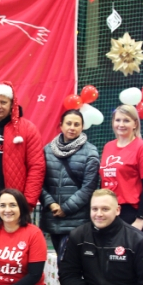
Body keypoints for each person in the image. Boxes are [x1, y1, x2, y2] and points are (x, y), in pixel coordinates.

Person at [41, 109, 100, 256]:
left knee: (70, 264)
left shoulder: (91, 152)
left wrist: (65, 209)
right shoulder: (46, 150)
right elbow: (38, 182)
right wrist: (51, 204)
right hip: (53, 219)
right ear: (61, 125)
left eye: (76, 124)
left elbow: (89, 188)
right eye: (68, 123)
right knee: (62, 266)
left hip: (78, 221)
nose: (72, 128)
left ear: (82, 127)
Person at [100, 105, 143, 233]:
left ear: (135, 124)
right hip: (109, 210)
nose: (121, 124)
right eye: (118, 120)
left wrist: (140, 218)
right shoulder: (108, 147)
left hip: (132, 212)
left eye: (126, 120)